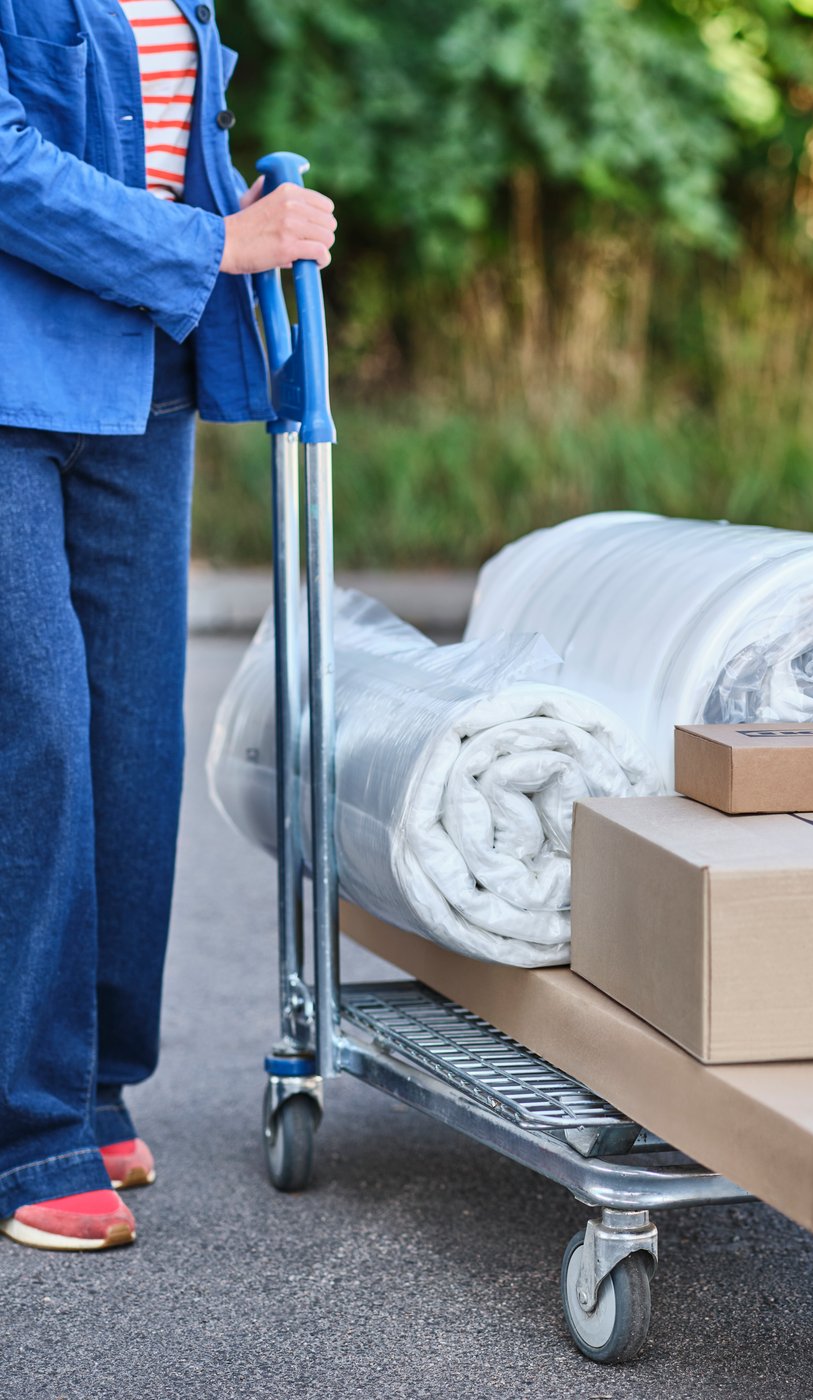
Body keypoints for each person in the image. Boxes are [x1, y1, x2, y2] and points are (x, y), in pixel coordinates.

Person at [0, 0, 335, 1250]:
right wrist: (216, 240)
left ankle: (92, 1082)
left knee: (134, 738)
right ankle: (26, 1127)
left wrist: (247, 203)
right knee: (36, 737)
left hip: (146, 380)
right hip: (11, 380)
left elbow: (153, 128)